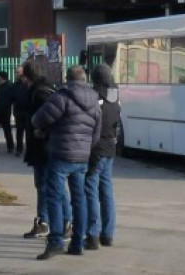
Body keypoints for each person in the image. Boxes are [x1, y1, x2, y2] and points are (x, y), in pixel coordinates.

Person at [32, 66, 102, 260]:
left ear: (67, 78)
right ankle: (78, 242)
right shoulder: (95, 101)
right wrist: (85, 147)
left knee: (54, 197)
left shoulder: (62, 96)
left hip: (61, 154)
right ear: (84, 79)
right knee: (79, 198)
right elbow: (96, 134)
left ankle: (56, 241)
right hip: (82, 157)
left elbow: (38, 119)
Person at [85, 63, 121, 250]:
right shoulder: (115, 97)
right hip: (110, 148)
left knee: (91, 189)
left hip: (96, 149)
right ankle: (108, 234)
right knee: (106, 191)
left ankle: (92, 233)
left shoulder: (95, 98)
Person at [20, 61, 56, 239]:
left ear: (26, 76)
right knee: (46, 186)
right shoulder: (46, 88)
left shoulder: (39, 92)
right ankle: (51, 221)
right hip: (42, 145)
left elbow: (50, 116)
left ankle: (46, 222)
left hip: (42, 146)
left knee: (45, 186)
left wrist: (40, 130)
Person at [11, 65, 28, 158]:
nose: (17, 74)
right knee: (19, 131)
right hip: (18, 111)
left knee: (28, 131)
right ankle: (19, 149)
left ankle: (29, 149)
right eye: (16, 72)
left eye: (18, 72)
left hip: (27, 111)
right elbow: (12, 97)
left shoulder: (28, 83)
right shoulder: (15, 85)